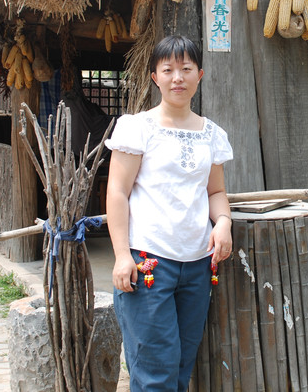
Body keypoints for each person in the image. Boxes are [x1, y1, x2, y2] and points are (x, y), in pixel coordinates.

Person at [104, 35, 233, 391]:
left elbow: (216, 192)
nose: (178, 77)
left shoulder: (211, 134)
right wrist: (120, 256)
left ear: (200, 75)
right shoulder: (137, 127)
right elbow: (116, 192)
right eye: (168, 69)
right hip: (148, 263)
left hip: (197, 266)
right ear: (154, 77)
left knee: (179, 367)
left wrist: (223, 221)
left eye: (186, 69)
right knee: (153, 372)